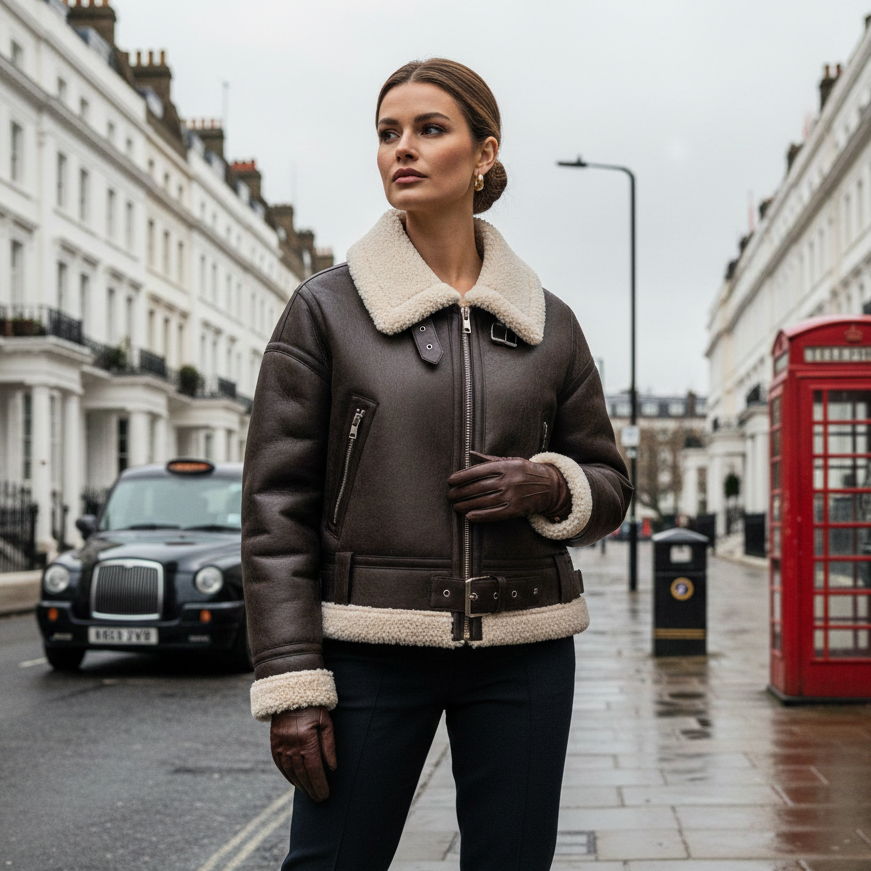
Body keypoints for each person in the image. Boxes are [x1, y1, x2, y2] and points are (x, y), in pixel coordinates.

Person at [241, 57, 631, 871]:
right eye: (387, 134)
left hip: (525, 645)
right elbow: (275, 512)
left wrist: (548, 483)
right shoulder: (326, 311)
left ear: (484, 153)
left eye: (428, 129)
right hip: (370, 645)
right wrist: (293, 683)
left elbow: (610, 485)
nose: (401, 150)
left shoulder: (548, 324)